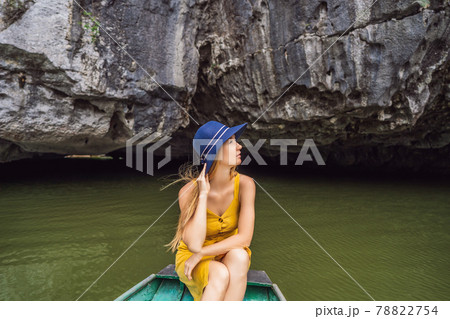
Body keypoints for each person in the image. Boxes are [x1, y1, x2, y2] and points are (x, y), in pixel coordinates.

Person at [164, 121, 256, 301]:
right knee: (220, 274)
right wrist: (203, 195)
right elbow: (195, 246)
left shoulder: (246, 185)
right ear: (216, 153)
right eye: (231, 142)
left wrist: (203, 253)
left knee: (240, 256)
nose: (239, 145)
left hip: (225, 252)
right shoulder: (188, 192)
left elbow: (245, 239)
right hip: (191, 259)